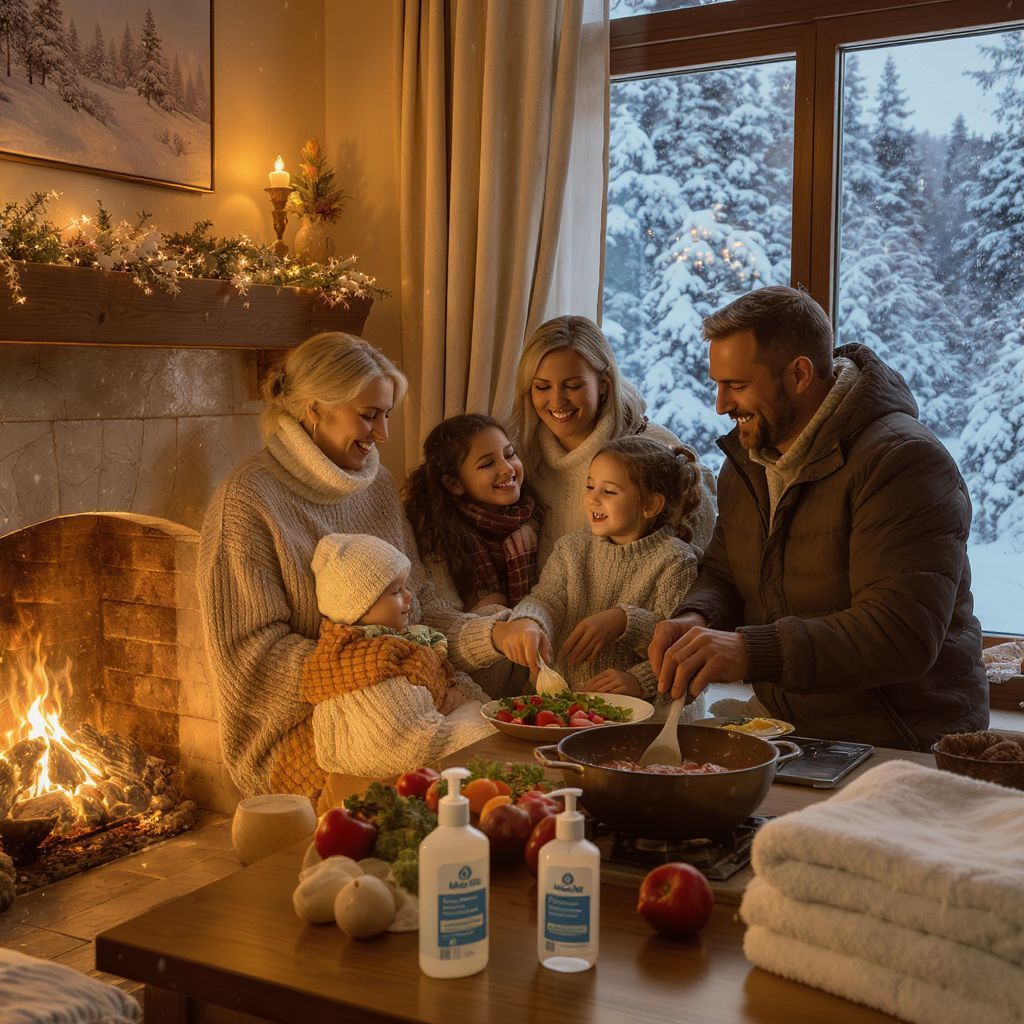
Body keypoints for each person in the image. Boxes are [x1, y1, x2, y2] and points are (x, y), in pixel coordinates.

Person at [649, 286, 989, 750]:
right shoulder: (749, 459)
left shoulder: (903, 461)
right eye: (717, 384)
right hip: (797, 730)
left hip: (903, 741)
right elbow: (726, 572)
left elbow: (900, 634)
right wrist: (698, 617)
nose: (721, 404)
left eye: (738, 385)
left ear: (800, 374)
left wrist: (748, 651)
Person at [198, 332, 509, 798]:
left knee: (498, 755)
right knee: (459, 787)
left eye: (386, 415)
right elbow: (251, 665)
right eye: (369, 415)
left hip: (406, 697)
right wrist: (382, 664)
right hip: (302, 730)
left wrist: (495, 634)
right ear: (315, 409)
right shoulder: (246, 503)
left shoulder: (377, 487)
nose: (383, 434)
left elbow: (418, 610)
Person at [501, 435, 707, 715]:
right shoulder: (571, 548)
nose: (592, 498)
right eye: (590, 486)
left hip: (631, 715)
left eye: (609, 491)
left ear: (650, 505)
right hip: (558, 706)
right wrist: (529, 620)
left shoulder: (675, 561)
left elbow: (681, 647)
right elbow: (545, 600)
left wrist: (638, 679)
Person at [508, 315, 718, 566]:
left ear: (604, 384)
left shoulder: (655, 448)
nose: (557, 401)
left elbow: (698, 551)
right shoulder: (516, 457)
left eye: (573, 386)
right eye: (542, 387)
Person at [302, 533, 493, 779]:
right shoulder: (361, 664)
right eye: (396, 592)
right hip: (401, 762)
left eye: (406, 587)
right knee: (487, 744)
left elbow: (449, 680)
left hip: (439, 727)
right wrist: (466, 712)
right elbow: (403, 744)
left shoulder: (402, 643)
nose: (409, 596)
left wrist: (488, 710)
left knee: (494, 730)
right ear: (360, 607)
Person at [404, 414, 542, 612]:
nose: (507, 468)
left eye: (510, 454)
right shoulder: (437, 537)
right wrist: (490, 608)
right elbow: (443, 611)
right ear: (455, 484)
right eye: (487, 464)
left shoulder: (534, 519)